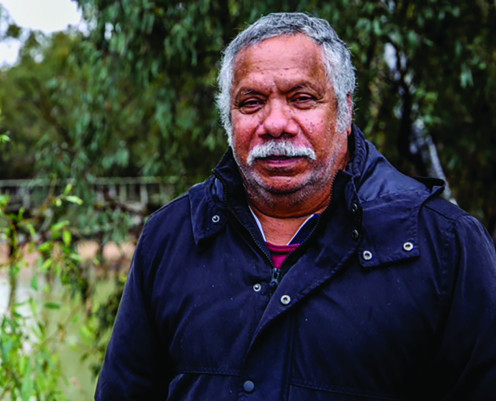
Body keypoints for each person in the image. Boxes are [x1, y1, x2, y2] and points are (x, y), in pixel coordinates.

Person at [95, 12, 496, 401]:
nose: (275, 123)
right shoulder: (172, 236)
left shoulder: (443, 246)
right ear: (228, 119)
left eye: (302, 99)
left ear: (345, 110)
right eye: (251, 102)